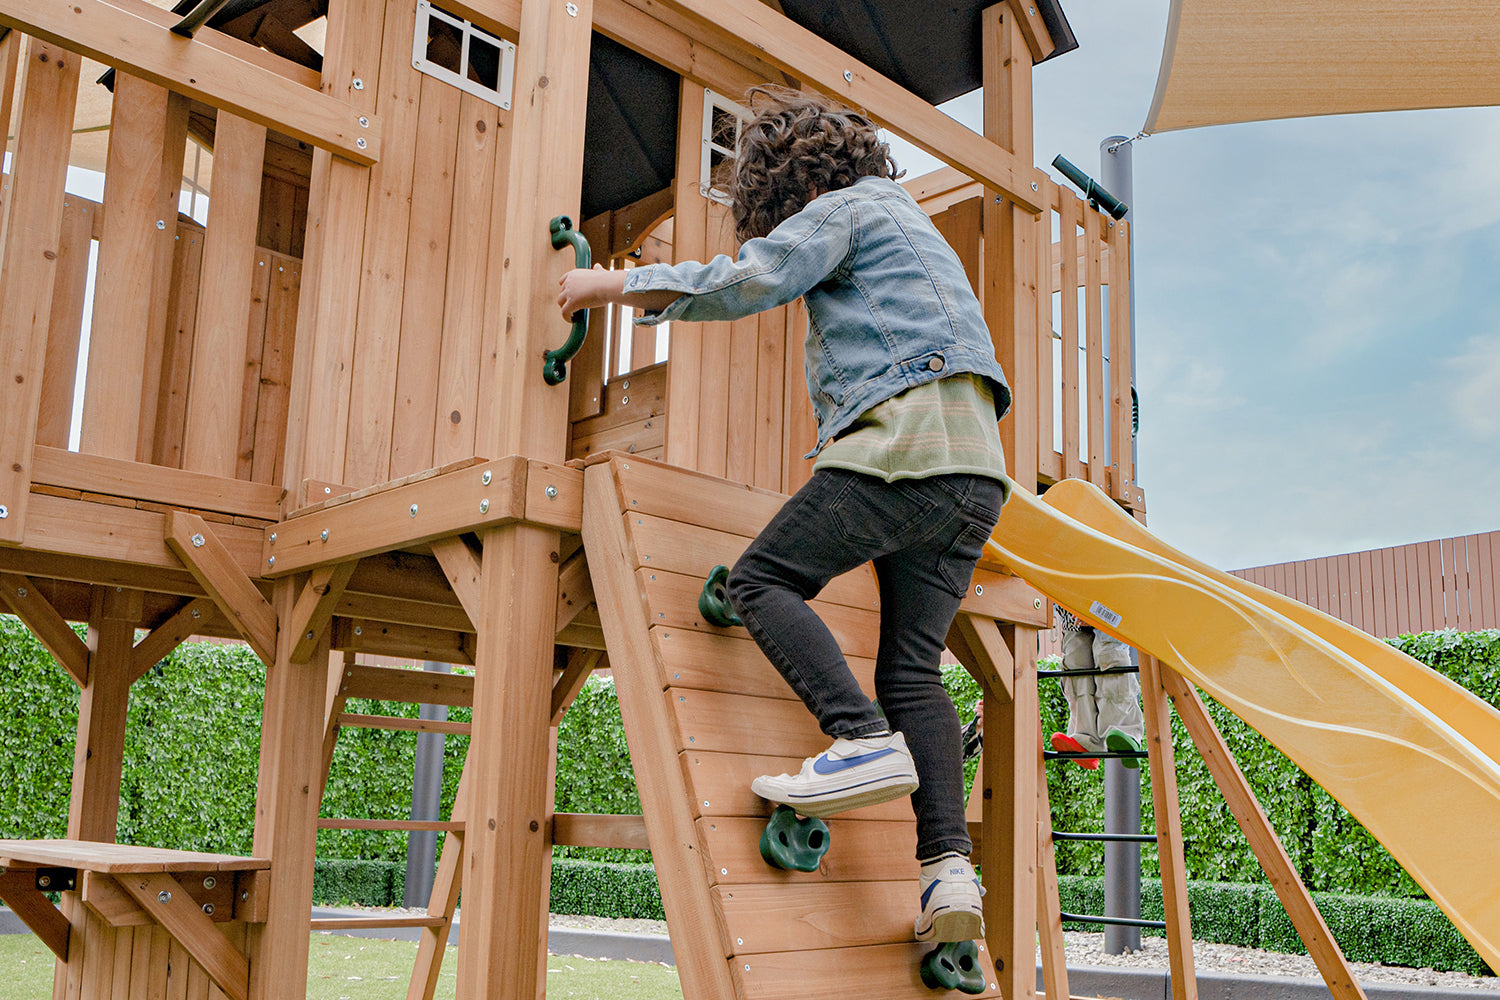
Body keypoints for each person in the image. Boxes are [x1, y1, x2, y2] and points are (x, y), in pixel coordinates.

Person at [557, 86, 1011, 944]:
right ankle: (948, 872)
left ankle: (860, 739)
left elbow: (751, 279)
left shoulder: (841, 208)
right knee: (913, 669)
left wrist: (611, 284)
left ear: (798, 189)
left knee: (764, 580)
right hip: (976, 478)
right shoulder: (912, 224)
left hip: (900, 450)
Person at [1050, 604, 1144, 769]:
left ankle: (1127, 730)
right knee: (1075, 662)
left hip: (1108, 605)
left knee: (1110, 657)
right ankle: (1084, 737)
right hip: (1071, 609)